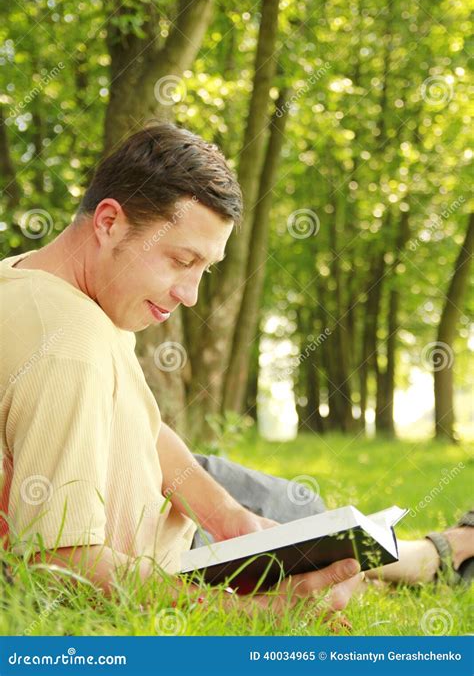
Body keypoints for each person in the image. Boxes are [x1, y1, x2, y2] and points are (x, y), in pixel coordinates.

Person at [0, 124, 471, 620]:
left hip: (176, 485)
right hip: (163, 554)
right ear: (110, 222)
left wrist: (226, 517)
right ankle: (443, 555)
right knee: (321, 534)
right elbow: (57, 560)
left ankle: (439, 552)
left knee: (299, 512)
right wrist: (250, 613)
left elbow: (137, 419)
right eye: (182, 261)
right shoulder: (71, 344)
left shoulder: (37, 279)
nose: (190, 294)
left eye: (205, 268)